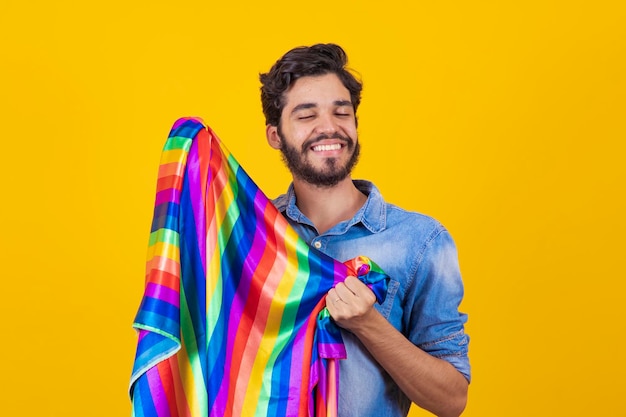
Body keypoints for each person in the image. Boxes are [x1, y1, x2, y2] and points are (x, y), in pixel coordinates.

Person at [259, 44, 470, 417]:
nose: (329, 127)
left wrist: (369, 324)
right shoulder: (254, 236)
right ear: (275, 135)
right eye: (307, 115)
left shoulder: (423, 241)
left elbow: (451, 399)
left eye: (342, 112)